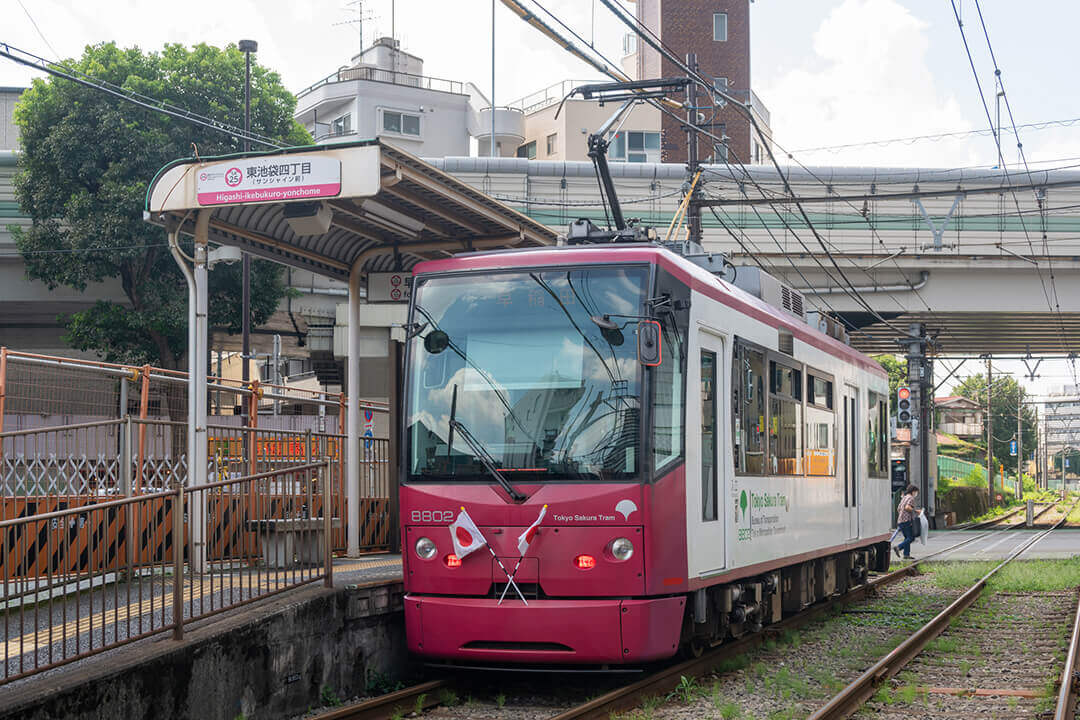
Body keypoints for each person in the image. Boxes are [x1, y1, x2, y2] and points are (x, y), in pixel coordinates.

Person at [894, 484, 921, 560]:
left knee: (907, 538)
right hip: (906, 520)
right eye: (916, 492)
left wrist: (902, 515)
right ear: (913, 491)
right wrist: (916, 511)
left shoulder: (904, 497)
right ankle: (898, 547)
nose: (916, 494)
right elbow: (907, 507)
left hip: (900, 520)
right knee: (911, 538)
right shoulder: (911, 498)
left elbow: (898, 508)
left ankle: (906, 554)